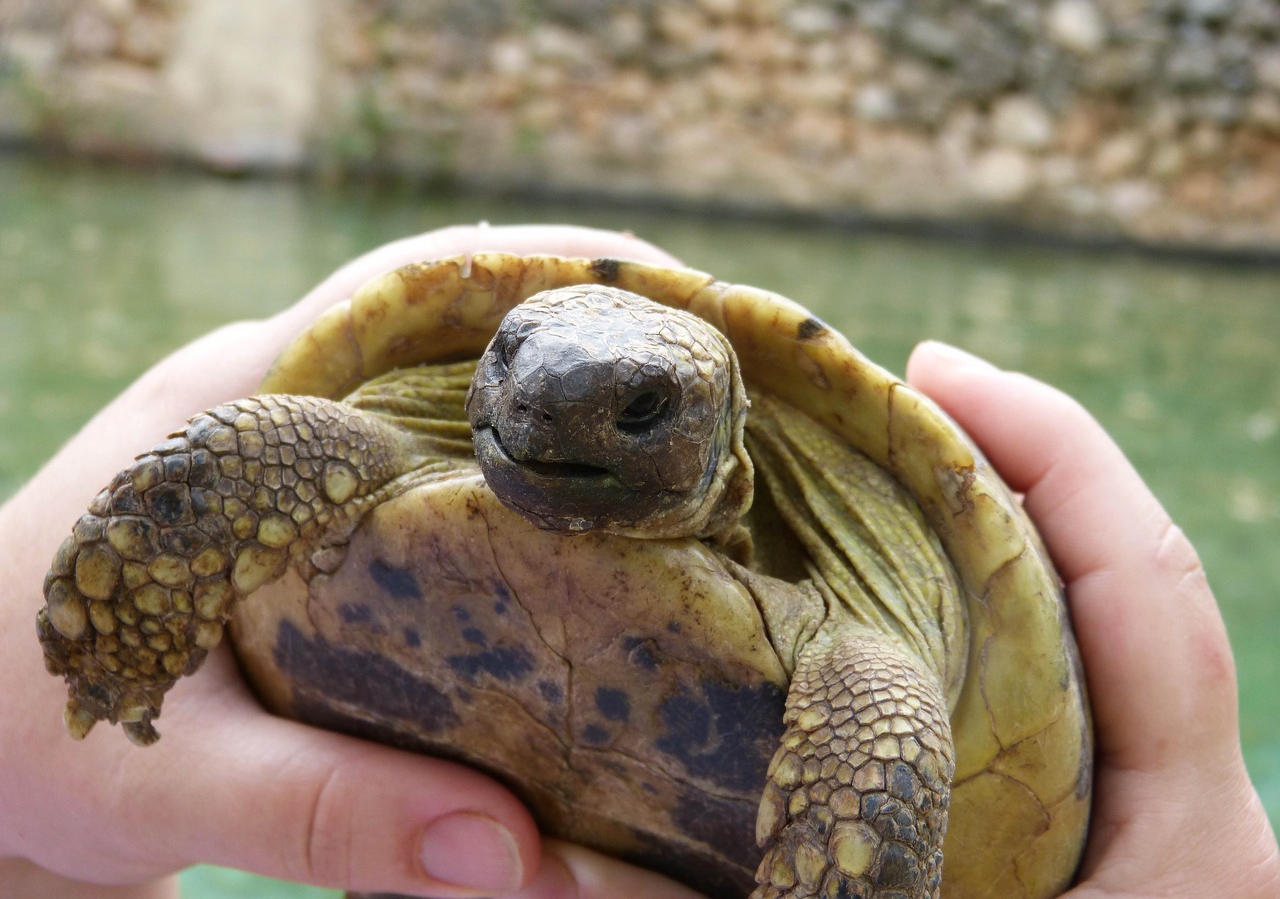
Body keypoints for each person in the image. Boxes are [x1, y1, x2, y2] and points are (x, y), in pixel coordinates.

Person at [0, 225, 1275, 899]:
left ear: (720, 433)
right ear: (485, 365)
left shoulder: (859, 649)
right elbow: (252, 464)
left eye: (638, 411)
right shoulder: (379, 434)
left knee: (873, 709)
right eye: (511, 371)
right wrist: (90, 675)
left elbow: (884, 695)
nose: (553, 419)